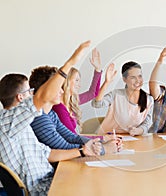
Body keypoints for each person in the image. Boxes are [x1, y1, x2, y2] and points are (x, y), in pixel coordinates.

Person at [0, 41, 103, 195]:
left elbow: (48, 153)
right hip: (41, 189)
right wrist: (70, 63)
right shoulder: (7, 122)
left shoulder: (22, 125)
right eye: (30, 91)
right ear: (21, 98)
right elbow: (42, 96)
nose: (33, 94)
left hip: (50, 179)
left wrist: (83, 151)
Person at [29, 66, 102, 149]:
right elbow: (66, 146)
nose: (62, 91)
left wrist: (102, 142)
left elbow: (72, 137)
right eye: (58, 87)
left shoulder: (52, 114)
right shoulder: (46, 115)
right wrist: (98, 146)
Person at [91, 61, 154, 136]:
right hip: (107, 137)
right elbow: (96, 104)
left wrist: (138, 130)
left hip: (132, 139)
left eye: (140, 76)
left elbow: (147, 123)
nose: (138, 80)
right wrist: (107, 82)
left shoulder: (149, 100)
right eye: (133, 77)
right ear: (124, 79)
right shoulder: (116, 95)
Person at [52, 48, 102, 134]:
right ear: (67, 81)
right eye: (76, 80)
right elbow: (72, 136)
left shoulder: (72, 100)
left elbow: (93, 93)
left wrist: (98, 69)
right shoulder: (58, 107)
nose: (79, 85)